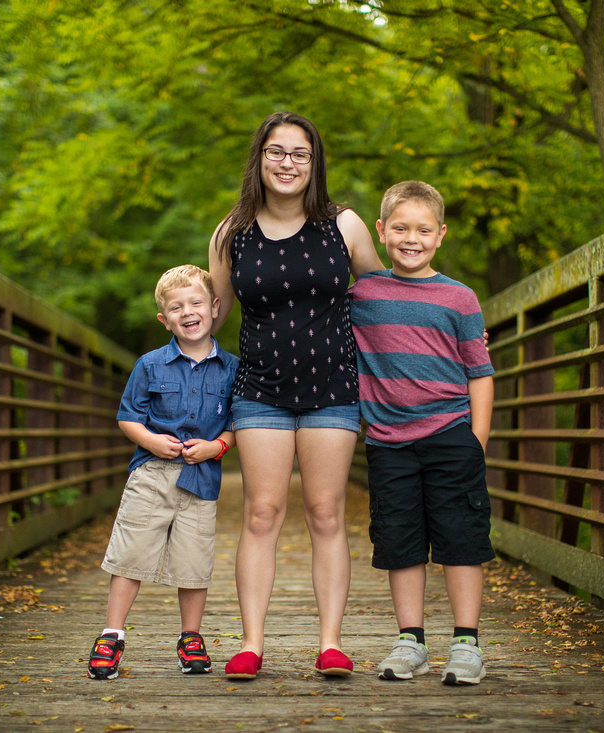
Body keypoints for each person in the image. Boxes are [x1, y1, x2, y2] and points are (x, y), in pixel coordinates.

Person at [208, 111, 384, 679]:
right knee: (262, 513)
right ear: (259, 158)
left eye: (300, 154)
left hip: (333, 388)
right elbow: (210, 317)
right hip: (260, 390)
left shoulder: (345, 225)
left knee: (326, 512)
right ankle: (252, 644)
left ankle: (331, 643)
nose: (288, 163)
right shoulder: (230, 232)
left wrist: (450, 325)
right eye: (277, 152)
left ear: (314, 163)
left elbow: (383, 298)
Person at [350, 180, 495, 685]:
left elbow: (480, 371)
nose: (412, 238)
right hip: (388, 440)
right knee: (400, 540)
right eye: (401, 228)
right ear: (381, 232)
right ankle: (410, 640)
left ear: (441, 235)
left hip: (450, 433)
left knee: (461, 537)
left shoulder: (459, 298)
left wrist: (477, 439)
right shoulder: (360, 295)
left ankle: (466, 643)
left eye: (423, 230)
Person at [88, 264, 239, 680]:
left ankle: (190, 636)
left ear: (213, 307)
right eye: (176, 307)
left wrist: (217, 445)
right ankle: (112, 633)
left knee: (194, 562)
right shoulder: (150, 365)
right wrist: (151, 440)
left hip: (201, 479)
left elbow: (238, 424)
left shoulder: (232, 369)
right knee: (130, 553)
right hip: (152, 474)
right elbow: (128, 417)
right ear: (164, 318)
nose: (187, 312)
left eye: (195, 303)